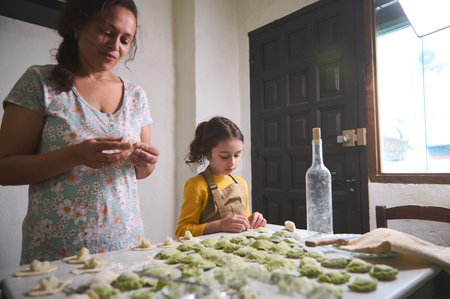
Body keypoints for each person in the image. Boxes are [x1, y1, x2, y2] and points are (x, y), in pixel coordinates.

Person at [0, 0, 159, 264]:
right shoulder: (40, 82)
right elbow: (4, 170)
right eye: (107, 32)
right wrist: (75, 155)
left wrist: (148, 163)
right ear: (78, 26)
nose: (114, 46)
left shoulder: (136, 95)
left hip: (125, 246)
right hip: (57, 254)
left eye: (125, 39)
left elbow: (141, 172)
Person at [176, 116, 266, 239]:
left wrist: (254, 221)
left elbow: (245, 225)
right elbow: (182, 231)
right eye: (224, 156)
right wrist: (220, 225)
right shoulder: (196, 185)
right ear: (207, 153)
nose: (232, 163)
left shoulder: (241, 183)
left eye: (237, 155)